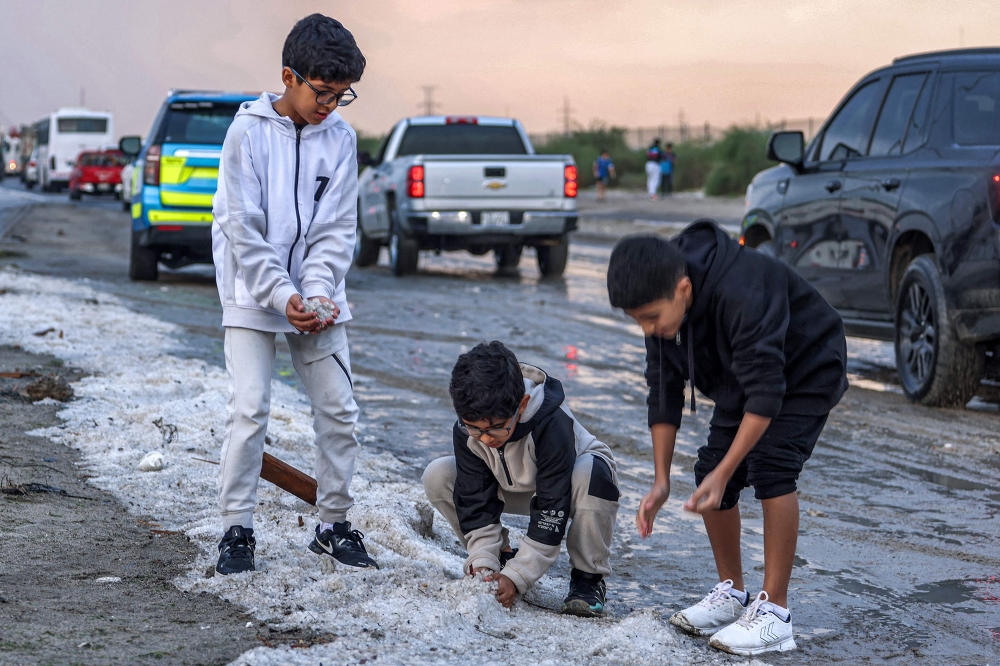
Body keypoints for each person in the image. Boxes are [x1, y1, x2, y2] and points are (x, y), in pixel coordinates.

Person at [605, 221, 847, 656]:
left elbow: (767, 392)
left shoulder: (744, 288)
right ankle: (733, 595)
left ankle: (775, 615)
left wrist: (727, 470)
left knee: (771, 466)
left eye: (651, 318)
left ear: (683, 289)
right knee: (708, 469)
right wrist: (661, 480)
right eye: (636, 321)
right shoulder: (660, 305)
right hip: (745, 373)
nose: (646, 329)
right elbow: (663, 391)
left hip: (808, 364)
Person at [211, 13, 379, 575]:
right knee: (250, 408)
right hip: (252, 296)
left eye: (342, 95)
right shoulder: (247, 133)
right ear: (289, 76)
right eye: (323, 92)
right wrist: (282, 296)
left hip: (319, 301)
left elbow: (337, 230)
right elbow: (243, 229)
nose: (330, 105)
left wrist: (316, 294)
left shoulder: (342, 138)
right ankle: (237, 530)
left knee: (339, 409)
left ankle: (333, 526)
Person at [422, 341, 620, 617]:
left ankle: (588, 580)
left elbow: (552, 510)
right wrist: (482, 563)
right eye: (475, 429)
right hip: (512, 485)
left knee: (591, 473)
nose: (487, 439)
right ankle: (500, 556)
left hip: (571, 486)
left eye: (496, 428)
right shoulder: (468, 431)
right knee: (438, 474)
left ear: (522, 404)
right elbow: (474, 499)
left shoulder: (552, 423)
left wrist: (518, 577)